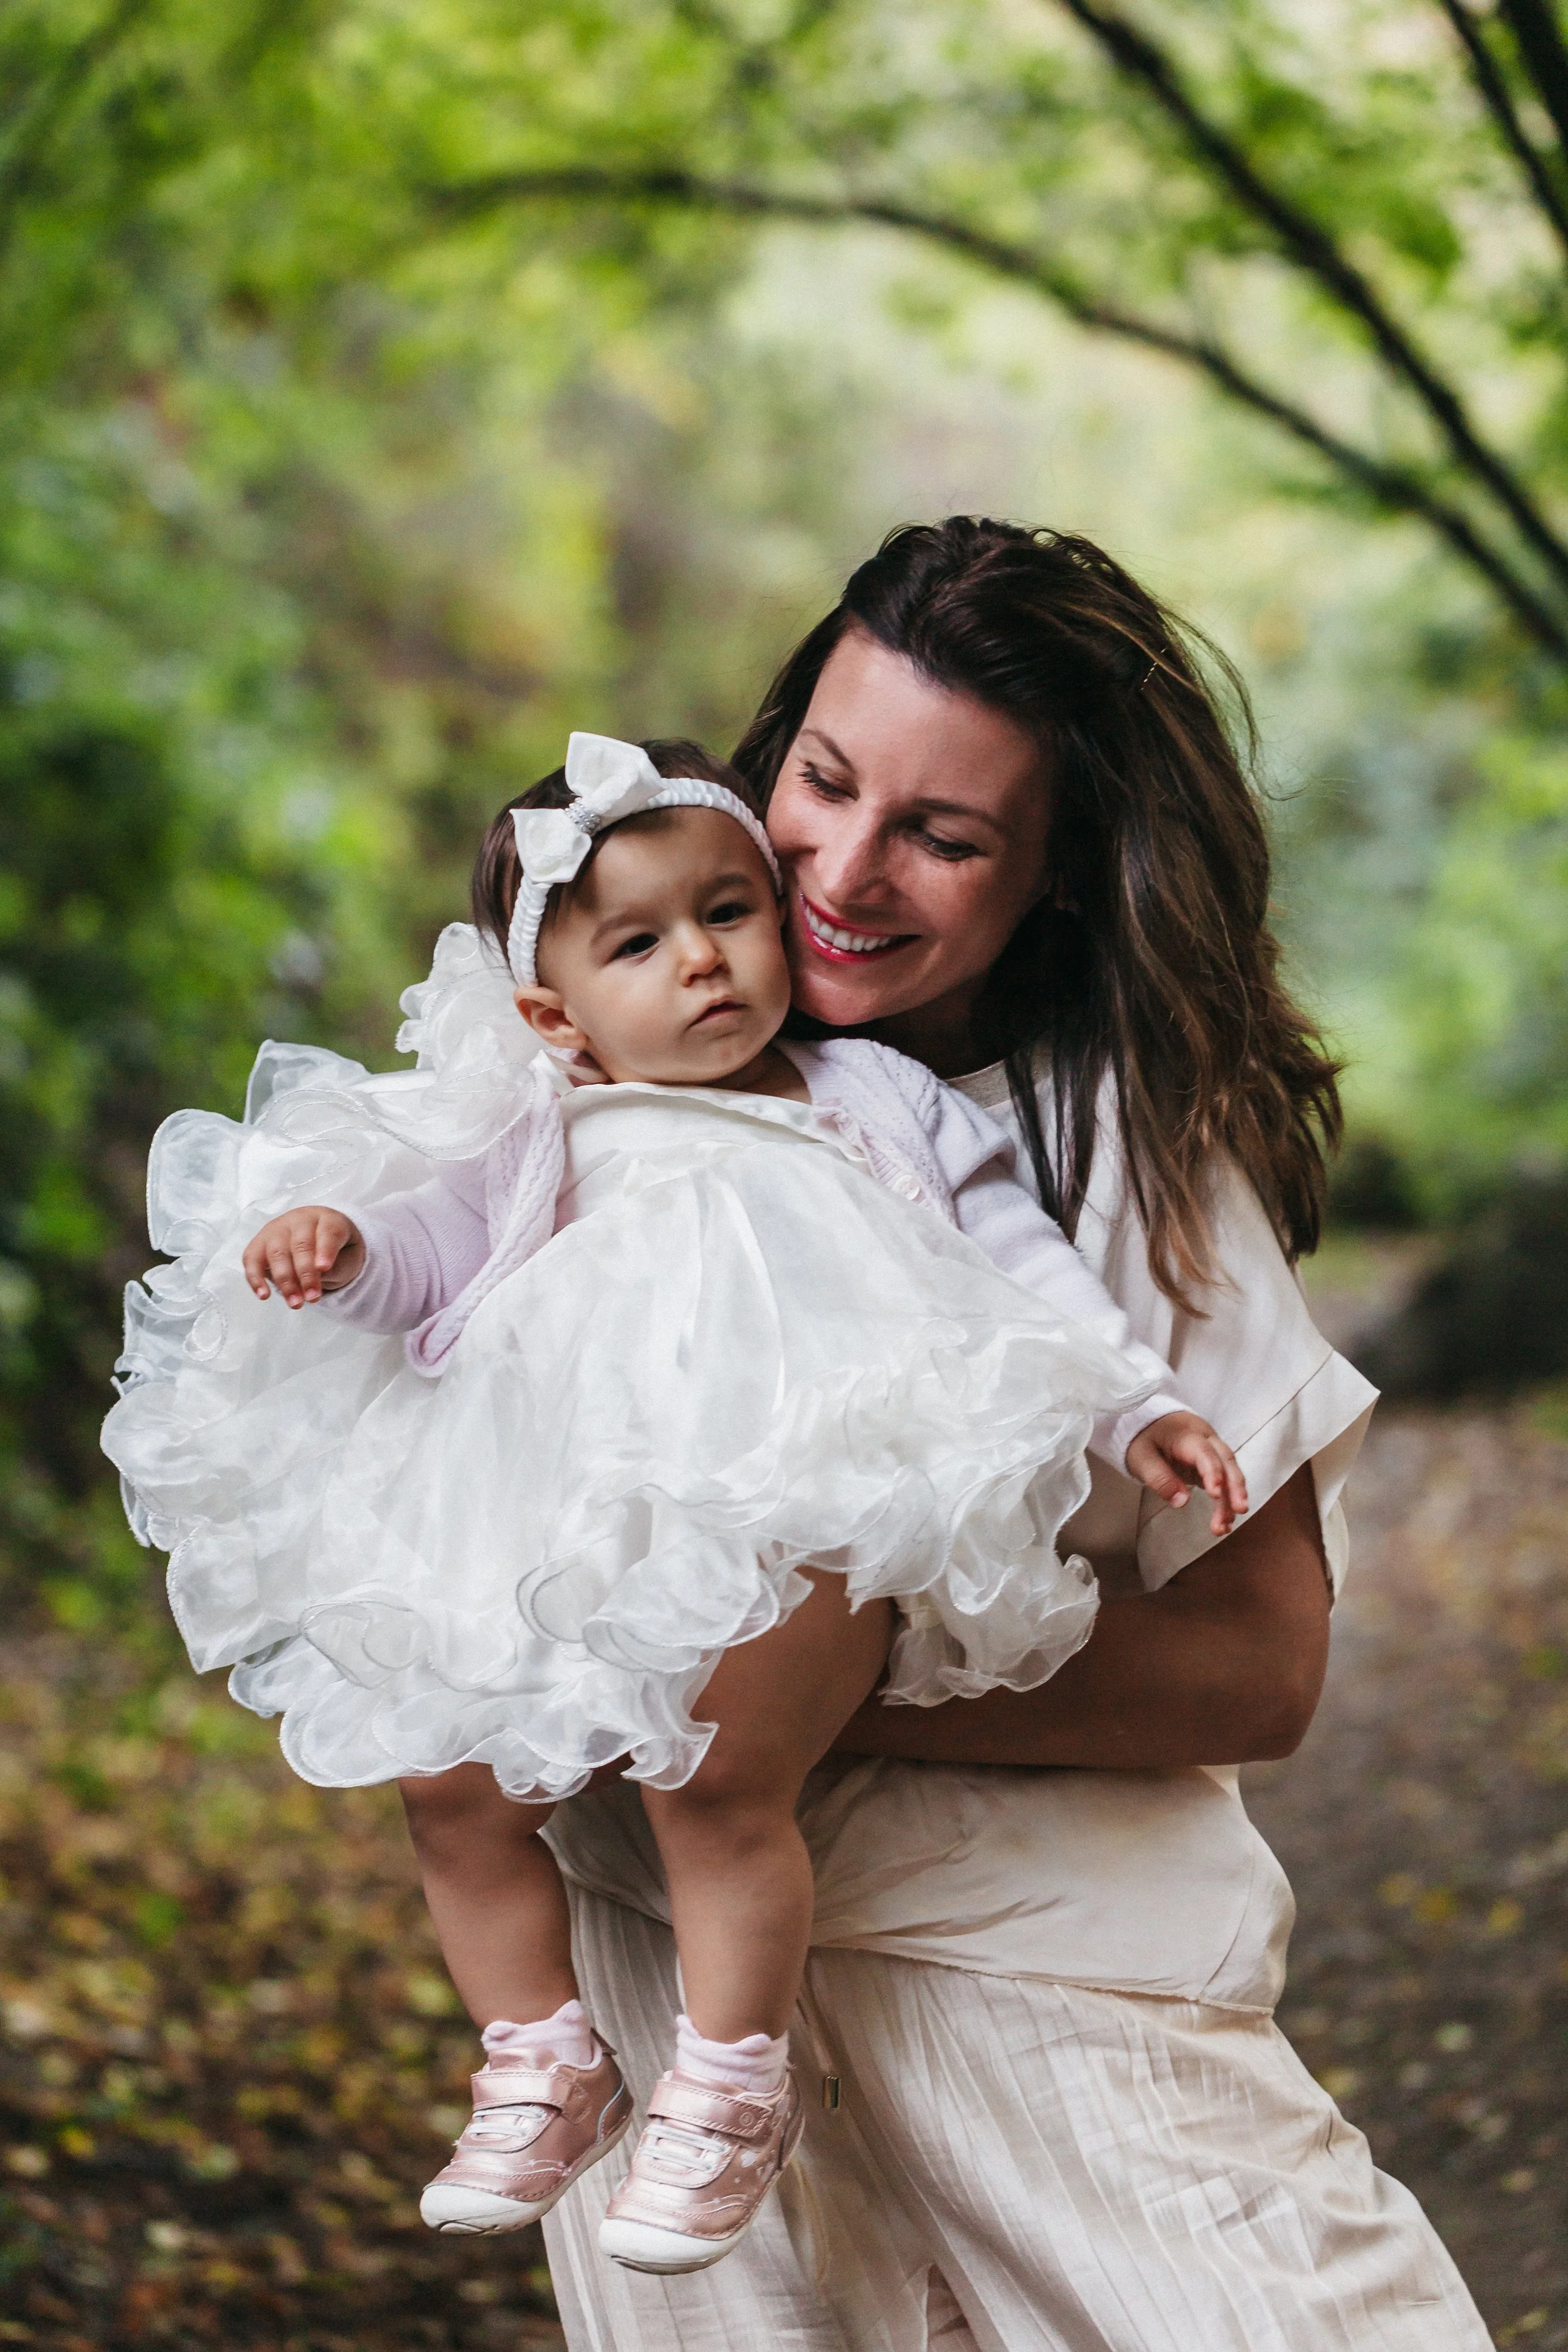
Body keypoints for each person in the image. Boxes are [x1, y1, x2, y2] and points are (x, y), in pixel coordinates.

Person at [103, 726, 1244, 2279]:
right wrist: (344, 1250)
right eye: (637, 942)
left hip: (815, 1474)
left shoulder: (879, 1099)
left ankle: (725, 2083)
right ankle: (537, 2056)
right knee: (445, 1779)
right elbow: (425, 1259)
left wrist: (1136, 1402)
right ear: (549, 1009)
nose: (700, 962)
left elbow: (1017, 1264)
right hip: (564, 1515)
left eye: (729, 910)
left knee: (710, 1775)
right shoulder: (535, 1134)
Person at [533, 522, 1495, 2349]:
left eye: (944, 834)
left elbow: (1256, 1663)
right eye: (819, 780)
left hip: (1043, 1978)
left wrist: (765, 1687)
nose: (837, 867)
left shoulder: (1116, 1153)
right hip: (677, 2006)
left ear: (1051, 876)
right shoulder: (574, 1100)